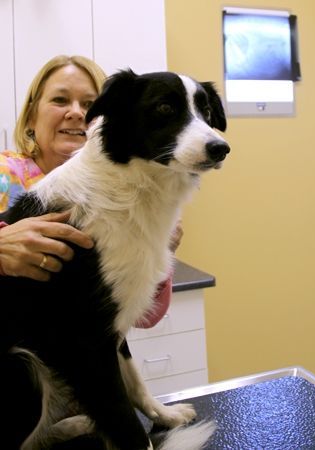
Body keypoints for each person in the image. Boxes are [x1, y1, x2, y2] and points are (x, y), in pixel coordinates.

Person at [0, 54, 183, 327]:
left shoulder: (136, 196)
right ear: (30, 118)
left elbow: (144, 319)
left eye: (89, 104)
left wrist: (156, 253)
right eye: (60, 100)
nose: (77, 112)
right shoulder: (5, 174)